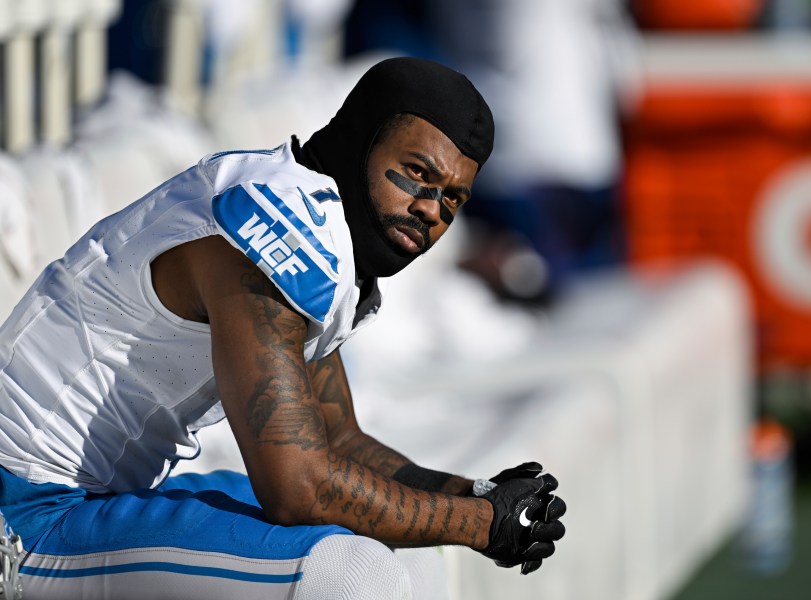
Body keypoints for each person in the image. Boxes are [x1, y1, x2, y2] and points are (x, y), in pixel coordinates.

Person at [0, 57, 565, 599]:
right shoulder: (283, 229)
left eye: (453, 198)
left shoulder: (306, 211)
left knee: (409, 556)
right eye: (418, 174)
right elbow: (299, 489)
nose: (431, 209)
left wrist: (480, 495)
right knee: (349, 576)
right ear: (360, 139)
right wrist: (482, 525)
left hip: (87, 500)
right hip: (24, 514)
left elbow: (339, 439)